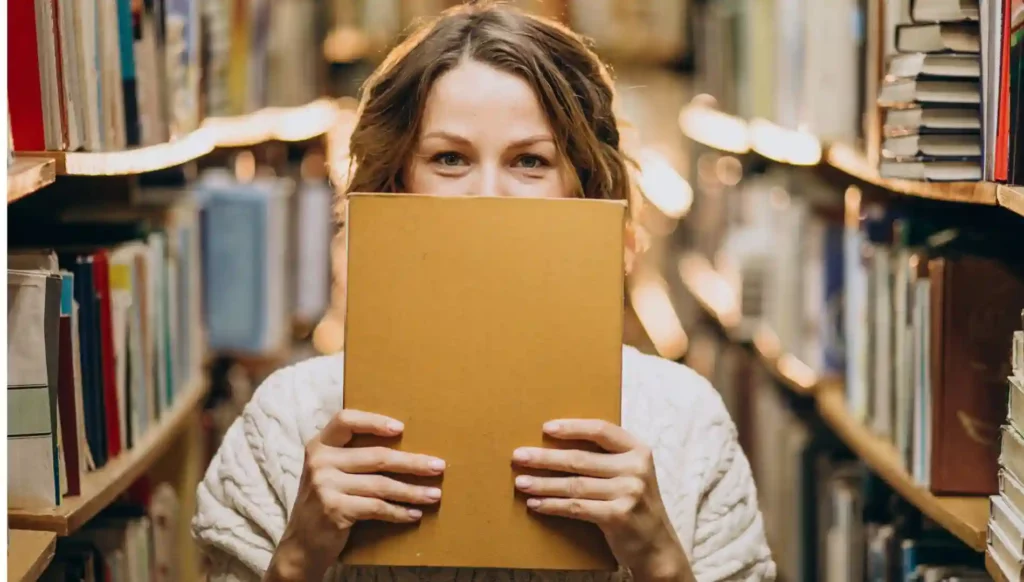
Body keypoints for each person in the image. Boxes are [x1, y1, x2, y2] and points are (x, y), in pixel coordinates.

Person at [191, 3, 776, 581]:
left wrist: (661, 563)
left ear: (585, 191)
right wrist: (298, 559)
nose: (488, 194)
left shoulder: (687, 421)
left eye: (530, 160)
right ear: (396, 184)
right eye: (449, 158)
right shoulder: (287, 420)